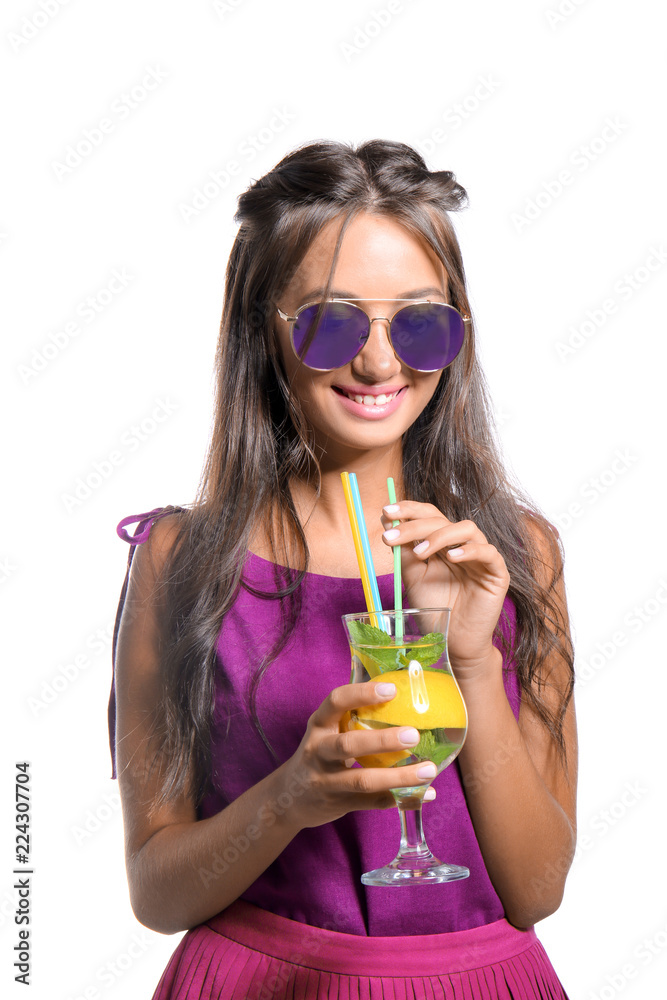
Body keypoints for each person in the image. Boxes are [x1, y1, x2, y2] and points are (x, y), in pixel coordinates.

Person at [108, 138, 577, 999]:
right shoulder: (181, 563)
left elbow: (536, 888)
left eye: (420, 321)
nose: (378, 361)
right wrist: (291, 797)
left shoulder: (518, 555)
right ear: (264, 328)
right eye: (330, 320)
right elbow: (157, 892)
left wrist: (469, 657)